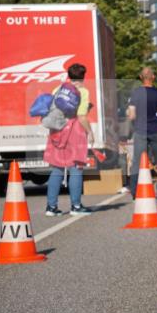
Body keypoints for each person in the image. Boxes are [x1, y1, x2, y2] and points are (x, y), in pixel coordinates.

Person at [43, 63, 93, 216]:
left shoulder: (57, 90)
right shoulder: (82, 91)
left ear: (69, 75)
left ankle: (51, 207)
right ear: (83, 76)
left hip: (57, 130)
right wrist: (90, 132)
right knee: (76, 168)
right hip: (74, 131)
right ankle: (76, 206)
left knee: (57, 168)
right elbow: (81, 115)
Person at [127, 67, 157, 197]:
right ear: (153, 77)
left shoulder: (135, 93)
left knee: (137, 162)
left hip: (140, 131)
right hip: (156, 130)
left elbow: (132, 115)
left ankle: (135, 192)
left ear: (140, 77)